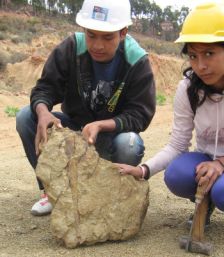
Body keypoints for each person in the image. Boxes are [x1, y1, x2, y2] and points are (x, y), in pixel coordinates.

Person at [16, 0, 156, 216]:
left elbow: (140, 115)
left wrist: (101, 124)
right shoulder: (71, 48)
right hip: (74, 130)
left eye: (107, 37)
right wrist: (43, 112)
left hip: (110, 135)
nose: (97, 45)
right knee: (27, 116)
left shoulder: (137, 61)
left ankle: (109, 195)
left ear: (123, 32)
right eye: (91, 35)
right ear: (83, 30)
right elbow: (45, 88)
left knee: (129, 143)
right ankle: (53, 192)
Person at [117, 2, 224, 224]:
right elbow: (177, 145)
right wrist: (143, 170)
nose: (200, 65)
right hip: (207, 158)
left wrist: (221, 163)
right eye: (193, 56)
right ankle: (206, 203)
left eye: (209, 53)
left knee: (223, 191)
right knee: (177, 174)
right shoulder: (188, 89)